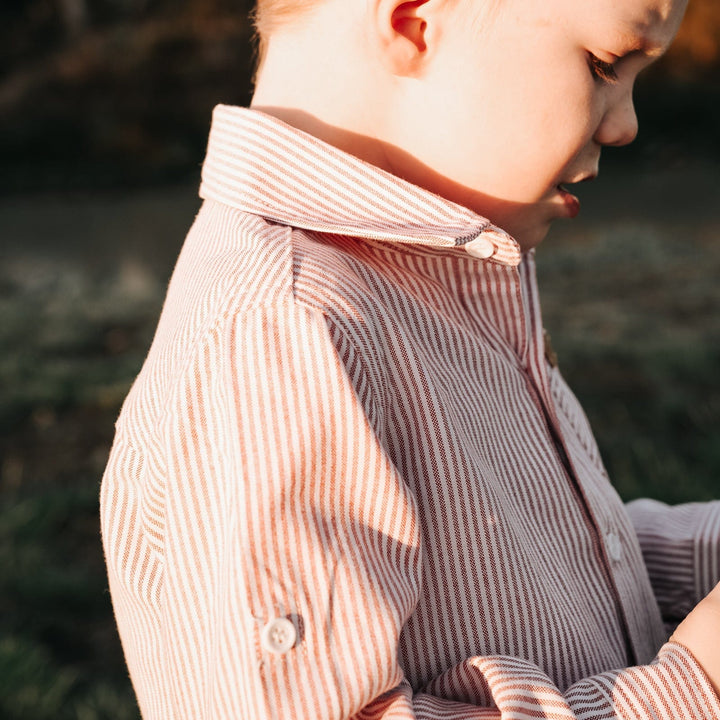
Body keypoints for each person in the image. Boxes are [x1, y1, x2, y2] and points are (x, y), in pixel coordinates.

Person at [100, 0, 720, 717]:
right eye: (606, 65)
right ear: (412, 22)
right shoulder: (283, 329)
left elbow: (522, 548)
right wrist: (692, 688)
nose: (626, 124)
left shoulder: (428, 279)